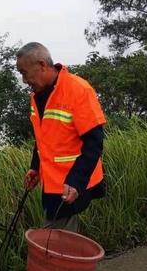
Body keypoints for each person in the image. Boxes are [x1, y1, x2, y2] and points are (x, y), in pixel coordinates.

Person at [16, 42, 106, 232]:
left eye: (24, 73)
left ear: (41, 65)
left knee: (51, 240)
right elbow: (44, 136)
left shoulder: (78, 90)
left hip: (71, 182)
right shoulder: (37, 96)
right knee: (63, 238)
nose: (24, 80)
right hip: (51, 181)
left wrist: (76, 181)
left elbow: (94, 142)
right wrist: (35, 167)